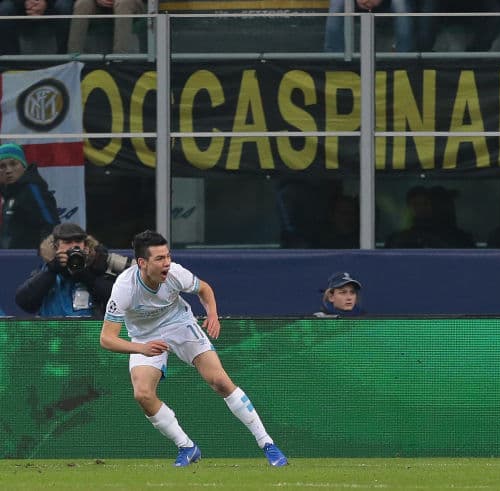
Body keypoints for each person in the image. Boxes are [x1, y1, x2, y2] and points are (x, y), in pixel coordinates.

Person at [99, 230, 288, 467]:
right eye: (160, 258)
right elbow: (107, 338)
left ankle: (268, 444)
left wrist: (212, 314)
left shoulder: (176, 273)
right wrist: (141, 348)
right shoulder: (124, 288)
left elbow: (204, 289)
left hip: (180, 324)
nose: (167, 263)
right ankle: (187, 447)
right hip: (145, 337)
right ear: (142, 263)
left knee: (220, 381)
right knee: (143, 395)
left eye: (168, 256)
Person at [14, 222, 128, 317]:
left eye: (78, 241)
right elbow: (25, 303)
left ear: (85, 245)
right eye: (67, 242)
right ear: (56, 246)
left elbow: (121, 302)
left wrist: (88, 277)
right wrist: (51, 271)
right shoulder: (48, 269)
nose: (74, 246)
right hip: (53, 333)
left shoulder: (97, 267)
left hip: (90, 333)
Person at [0, 143, 60, 249]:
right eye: (2, 166)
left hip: (29, 257)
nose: (8, 170)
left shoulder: (33, 190)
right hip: (9, 257)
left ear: (24, 166)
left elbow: (51, 224)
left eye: (13, 164)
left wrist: (43, 255)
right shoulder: (9, 193)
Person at [66, 0, 145, 54]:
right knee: (82, 3)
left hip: (131, 2)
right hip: (98, 5)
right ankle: (73, 57)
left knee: (123, 2)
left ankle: (120, 58)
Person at [0, 0, 73, 54]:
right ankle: (10, 62)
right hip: (19, 3)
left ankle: (64, 59)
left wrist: (46, 2)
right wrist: (24, 2)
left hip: (53, 3)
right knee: (5, 9)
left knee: (64, 6)